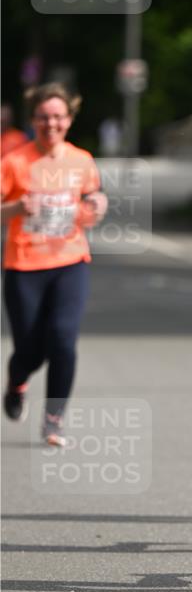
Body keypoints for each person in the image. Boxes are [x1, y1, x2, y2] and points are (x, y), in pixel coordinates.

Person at [1, 83, 107, 444]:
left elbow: (93, 196)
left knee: (63, 339)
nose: (51, 124)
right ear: (33, 120)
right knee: (29, 350)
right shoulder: (14, 161)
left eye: (58, 117)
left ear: (69, 119)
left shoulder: (82, 160)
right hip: (24, 265)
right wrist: (14, 209)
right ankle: (16, 382)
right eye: (44, 117)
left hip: (69, 261)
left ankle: (54, 418)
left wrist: (98, 205)